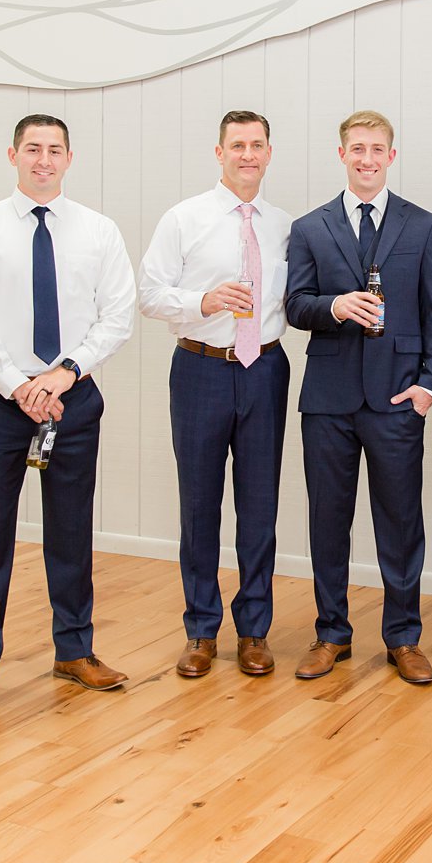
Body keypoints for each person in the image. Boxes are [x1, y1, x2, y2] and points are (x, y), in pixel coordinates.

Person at [0, 114, 135, 714]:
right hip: (2, 402)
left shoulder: (100, 232)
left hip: (74, 397)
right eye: (33, 149)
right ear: (13, 154)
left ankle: (74, 649)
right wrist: (18, 385)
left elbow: (117, 315)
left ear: (69, 159)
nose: (43, 160)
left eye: (54, 150)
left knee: (71, 530)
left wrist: (63, 373)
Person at [285, 110, 432, 684]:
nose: (367, 158)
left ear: (391, 156)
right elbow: (294, 305)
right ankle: (331, 632)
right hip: (328, 399)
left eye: (377, 149)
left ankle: (403, 636)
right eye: (357, 148)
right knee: (327, 519)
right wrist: (333, 307)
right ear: (341, 154)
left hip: (398, 397)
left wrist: (430, 386)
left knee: (401, 521)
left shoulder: (424, 225)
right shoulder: (310, 227)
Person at [137, 110, 291, 677]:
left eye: (256, 145)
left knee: (260, 505)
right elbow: (148, 294)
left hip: (265, 371)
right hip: (200, 369)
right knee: (199, 505)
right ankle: (201, 630)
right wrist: (202, 301)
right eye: (237, 145)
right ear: (219, 152)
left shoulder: (283, 225)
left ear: (269, 153)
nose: (247, 154)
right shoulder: (184, 218)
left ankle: (254, 630)